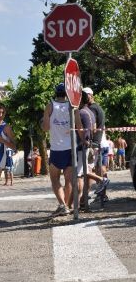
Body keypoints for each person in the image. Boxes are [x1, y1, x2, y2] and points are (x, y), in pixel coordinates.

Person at [42, 82, 84, 215]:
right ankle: (65, 205)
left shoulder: (50, 106)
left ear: (56, 93)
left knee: (54, 179)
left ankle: (62, 205)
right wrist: (84, 141)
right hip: (71, 148)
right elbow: (80, 128)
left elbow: (46, 128)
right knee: (68, 179)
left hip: (56, 148)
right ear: (66, 93)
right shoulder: (73, 107)